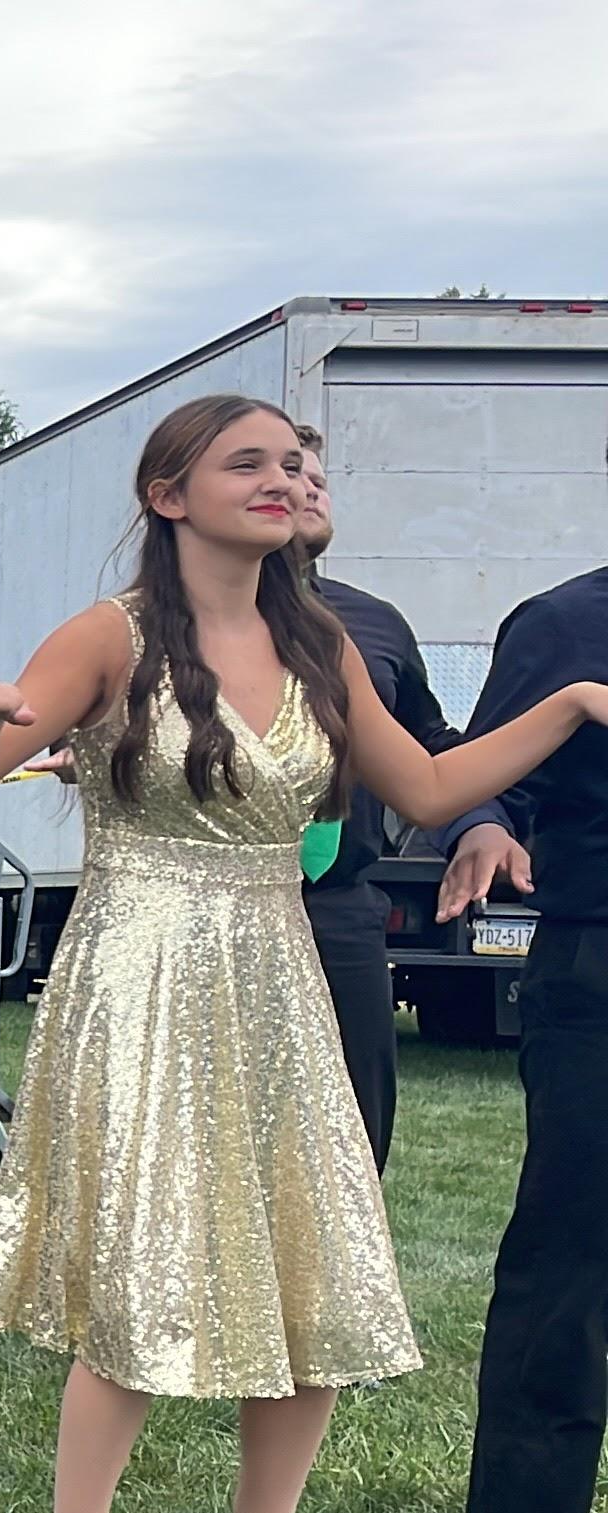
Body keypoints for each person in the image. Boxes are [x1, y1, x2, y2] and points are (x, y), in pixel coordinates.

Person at [0, 393, 608, 1513]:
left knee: (318, 1250)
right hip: (138, 967)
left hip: (279, 965)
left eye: (296, 462)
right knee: (147, 1246)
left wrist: (567, 705)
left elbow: (432, 785)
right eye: (249, 462)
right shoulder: (110, 636)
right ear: (166, 495)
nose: (284, 479)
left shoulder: (323, 648)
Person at [442, 556, 608, 1513]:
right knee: (573, 1245)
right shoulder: (563, 623)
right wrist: (481, 826)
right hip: (597, 954)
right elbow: (478, 768)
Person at [287, 423, 484, 1169]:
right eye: (283, 471)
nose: (307, 487)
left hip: (337, 901)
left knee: (356, 1132)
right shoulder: (168, 626)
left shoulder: (368, 624)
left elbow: (430, 744)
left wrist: (480, 823)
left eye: (316, 476)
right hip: (216, 899)